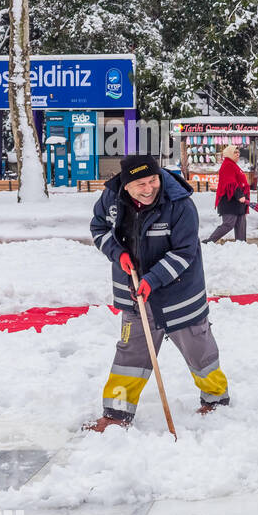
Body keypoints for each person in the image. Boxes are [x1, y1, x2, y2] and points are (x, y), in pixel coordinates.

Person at [84, 155, 230, 431]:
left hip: (179, 295)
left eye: (153, 180)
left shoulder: (180, 205)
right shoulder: (111, 199)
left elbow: (185, 251)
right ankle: (116, 414)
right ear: (126, 185)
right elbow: (99, 227)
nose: (149, 188)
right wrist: (118, 253)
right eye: (140, 183)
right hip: (135, 295)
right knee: (130, 356)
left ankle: (216, 400)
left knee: (200, 352)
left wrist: (153, 278)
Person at [204, 144, 251, 243]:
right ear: (229, 154)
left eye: (238, 152)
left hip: (238, 201)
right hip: (229, 201)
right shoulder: (227, 165)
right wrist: (240, 195)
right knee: (229, 223)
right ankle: (209, 242)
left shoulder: (233, 165)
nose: (238, 154)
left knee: (241, 224)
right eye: (235, 152)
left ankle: (241, 245)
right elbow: (230, 183)